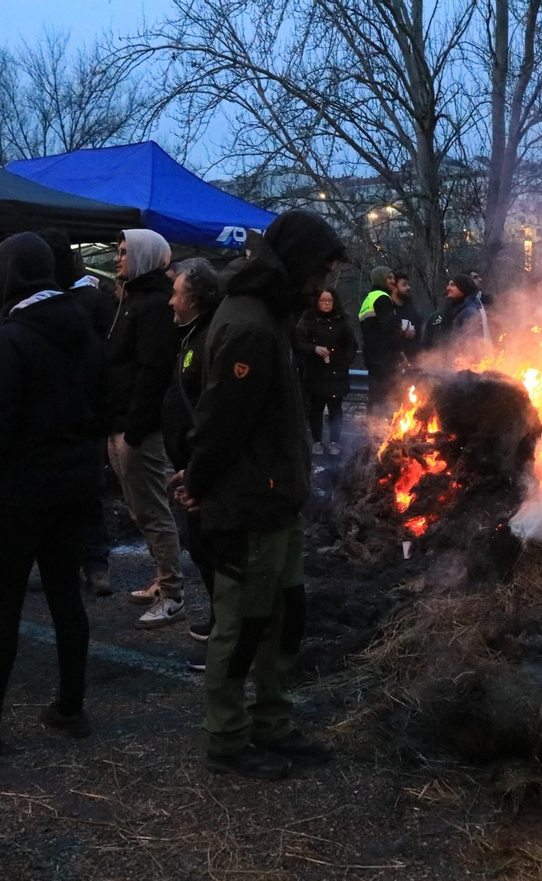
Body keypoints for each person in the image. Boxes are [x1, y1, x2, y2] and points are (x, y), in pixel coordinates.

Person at [175, 210, 343, 780]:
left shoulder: (269, 315)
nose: (324, 285)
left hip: (278, 504)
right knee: (243, 624)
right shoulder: (248, 324)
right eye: (320, 271)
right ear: (295, 263)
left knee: (283, 618)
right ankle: (227, 736)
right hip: (249, 506)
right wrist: (198, 483)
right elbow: (221, 422)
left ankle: (273, 720)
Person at [0, 234, 105, 758]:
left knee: (3, 606)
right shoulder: (83, 327)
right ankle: (70, 706)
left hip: (20, 489)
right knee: (66, 595)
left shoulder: (12, 338)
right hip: (75, 484)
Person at [106, 228, 185, 629]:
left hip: (138, 429)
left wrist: (135, 429)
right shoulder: (133, 299)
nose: (117, 258)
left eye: (124, 252)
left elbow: (152, 372)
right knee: (140, 510)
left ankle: (172, 593)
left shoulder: (152, 305)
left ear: (145, 256)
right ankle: (161, 578)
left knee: (152, 509)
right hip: (121, 423)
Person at [38, 228, 113, 597]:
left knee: (84, 493)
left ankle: (95, 563)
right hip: (62, 414)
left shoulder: (90, 300)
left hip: (79, 414)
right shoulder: (35, 306)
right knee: (68, 493)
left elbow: (105, 359)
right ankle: (78, 564)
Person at [161, 258, 221, 663]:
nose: (170, 302)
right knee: (200, 546)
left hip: (204, 470)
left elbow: (213, 414)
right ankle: (222, 621)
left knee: (212, 549)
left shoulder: (208, 340)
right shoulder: (190, 336)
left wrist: (198, 469)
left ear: (195, 298)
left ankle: (226, 634)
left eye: (176, 293)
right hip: (191, 466)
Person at [293, 289, 354, 457]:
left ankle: (335, 441)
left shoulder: (342, 321)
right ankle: (317, 441)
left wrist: (345, 359)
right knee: (316, 409)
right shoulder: (308, 320)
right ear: (317, 302)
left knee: (336, 409)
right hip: (315, 372)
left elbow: (351, 344)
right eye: (323, 301)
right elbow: (298, 343)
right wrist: (314, 349)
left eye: (329, 301)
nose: (326, 304)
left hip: (337, 372)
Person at [358, 266, 408, 412]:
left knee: (375, 398)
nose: (393, 281)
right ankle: (384, 432)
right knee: (388, 399)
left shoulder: (368, 298)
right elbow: (390, 329)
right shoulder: (383, 298)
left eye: (393, 278)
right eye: (389, 278)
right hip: (384, 358)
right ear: (380, 279)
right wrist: (399, 352)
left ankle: (372, 430)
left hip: (371, 356)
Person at [444, 274, 491, 348]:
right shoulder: (458, 310)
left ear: (463, 289)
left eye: (452, 285)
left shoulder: (470, 312)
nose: (448, 288)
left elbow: (473, 345)